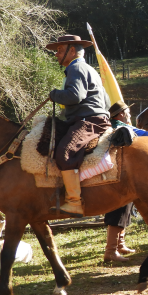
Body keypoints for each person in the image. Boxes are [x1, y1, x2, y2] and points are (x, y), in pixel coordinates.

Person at [101, 100, 148, 263]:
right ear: (120, 115)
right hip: (120, 175)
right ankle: (111, 251)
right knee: (119, 210)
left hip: (116, 173)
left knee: (125, 207)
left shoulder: (113, 126)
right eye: (127, 112)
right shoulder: (122, 127)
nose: (129, 114)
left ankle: (119, 245)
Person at [46, 34, 111, 217]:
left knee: (65, 152)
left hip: (89, 121)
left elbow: (75, 96)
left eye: (59, 50)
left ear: (72, 50)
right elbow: (106, 102)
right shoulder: (88, 68)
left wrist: (55, 94)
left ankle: (74, 202)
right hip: (94, 118)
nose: (56, 54)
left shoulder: (76, 67)